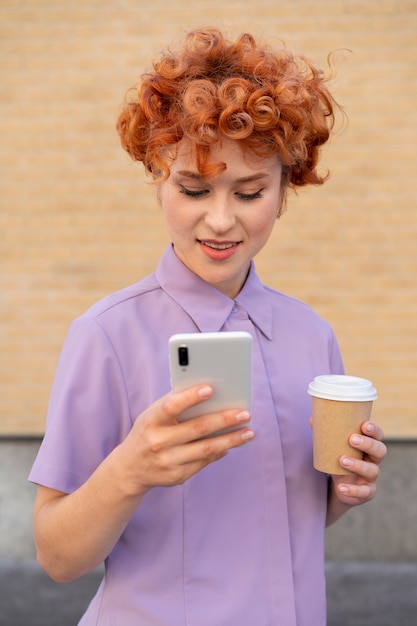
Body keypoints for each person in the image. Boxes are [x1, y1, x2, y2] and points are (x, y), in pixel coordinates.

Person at [29, 27, 387, 625]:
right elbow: (57, 557)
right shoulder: (106, 337)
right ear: (158, 180)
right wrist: (131, 469)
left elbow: (290, 512)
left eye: (249, 192)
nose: (219, 221)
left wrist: (344, 490)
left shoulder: (312, 336)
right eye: (193, 188)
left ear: (283, 192)